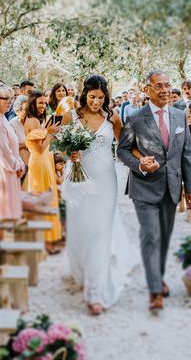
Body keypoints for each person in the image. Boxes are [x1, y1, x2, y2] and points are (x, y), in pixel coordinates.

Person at [117, 70, 191, 312]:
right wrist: (139, 164)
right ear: (147, 90)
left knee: (163, 238)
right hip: (144, 188)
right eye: (158, 86)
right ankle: (154, 290)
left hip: (172, 188)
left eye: (167, 85)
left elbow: (186, 154)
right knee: (150, 236)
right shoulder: (135, 117)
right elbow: (123, 150)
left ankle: (157, 277)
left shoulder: (180, 116)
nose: (164, 90)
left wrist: (190, 189)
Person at [62, 75, 137, 315]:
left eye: (101, 98)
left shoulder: (112, 118)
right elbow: (60, 150)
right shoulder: (71, 116)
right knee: (79, 228)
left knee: (100, 231)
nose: (96, 101)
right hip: (77, 181)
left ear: (106, 97)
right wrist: (68, 155)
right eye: (92, 97)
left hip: (105, 181)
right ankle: (81, 272)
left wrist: (142, 161)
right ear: (85, 94)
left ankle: (97, 290)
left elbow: (124, 147)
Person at [24, 90, 62, 253]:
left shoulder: (39, 120)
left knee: (49, 198)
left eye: (44, 103)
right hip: (39, 162)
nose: (43, 105)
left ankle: (48, 240)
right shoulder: (31, 121)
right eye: (40, 102)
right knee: (43, 200)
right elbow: (40, 147)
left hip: (46, 160)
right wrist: (50, 133)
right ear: (32, 103)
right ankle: (45, 242)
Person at [0, 83, 25, 220]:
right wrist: (17, 165)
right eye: (5, 98)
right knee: (3, 216)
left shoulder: (1, 117)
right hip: (2, 171)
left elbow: (12, 147)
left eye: (11, 98)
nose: (10, 102)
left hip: (10, 170)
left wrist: (19, 163)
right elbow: (3, 150)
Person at [9, 95, 29, 165]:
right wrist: (26, 145)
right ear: (18, 110)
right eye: (25, 110)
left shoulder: (33, 121)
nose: (28, 112)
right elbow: (11, 146)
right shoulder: (12, 124)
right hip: (19, 158)